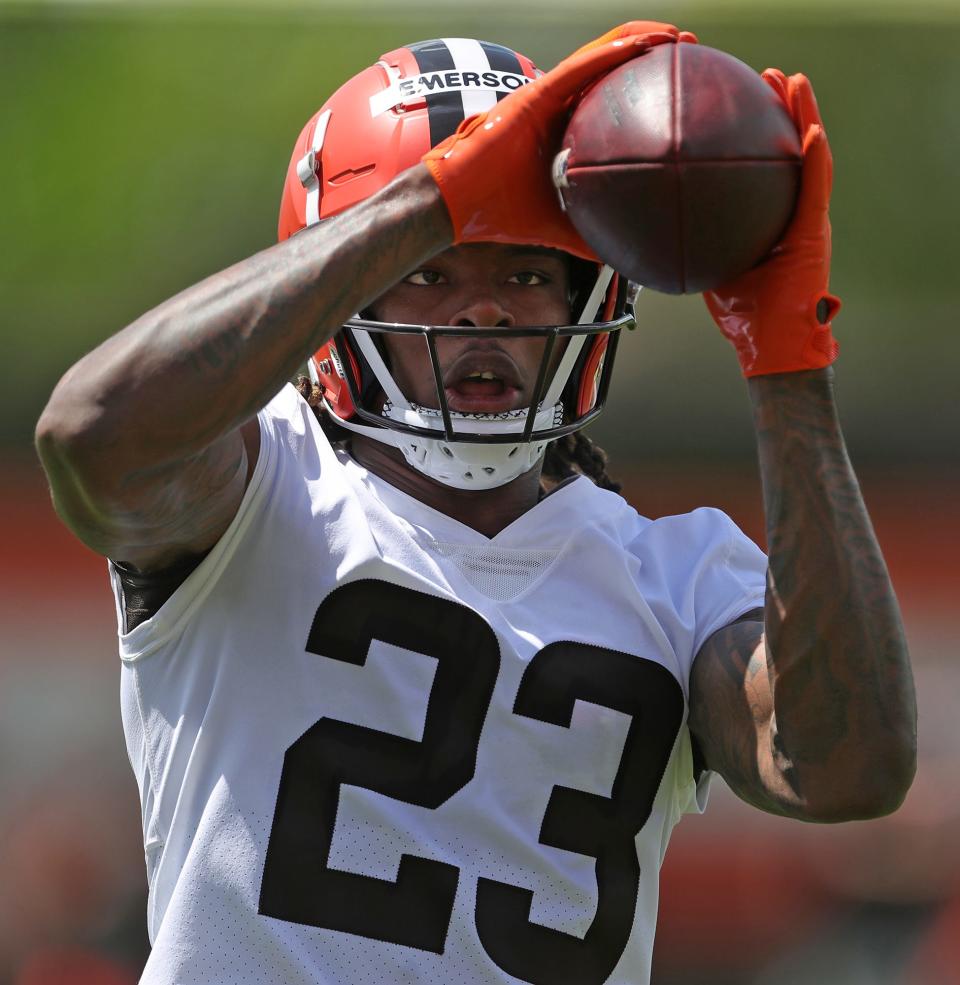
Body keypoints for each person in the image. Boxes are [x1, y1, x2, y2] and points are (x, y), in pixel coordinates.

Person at [35, 21, 917, 985]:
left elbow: (846, 767)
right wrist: (433, 195)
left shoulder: (679, 576)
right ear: (346, 277)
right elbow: (90, 438)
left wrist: (789, 360)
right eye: (434, 269)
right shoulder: (260, 484)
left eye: (529, 272)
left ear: (593, 290)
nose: (485, 308)